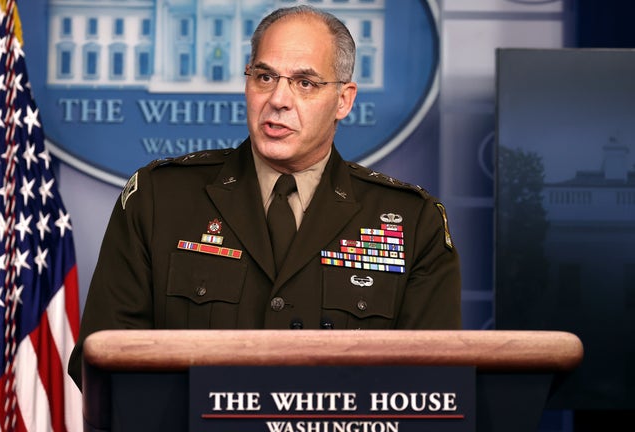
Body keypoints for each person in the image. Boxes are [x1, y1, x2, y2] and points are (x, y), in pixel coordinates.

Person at [68, 5, 461, 389]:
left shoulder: (412, 222)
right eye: (265, 77)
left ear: (344, 100)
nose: (278, 99)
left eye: (305, 83)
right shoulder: (158, 199)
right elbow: (102, 362)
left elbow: (431, 388)